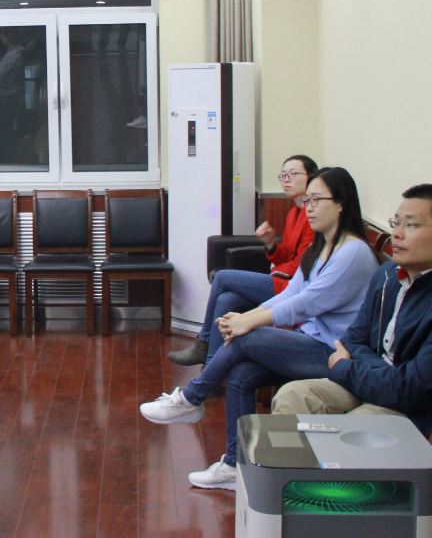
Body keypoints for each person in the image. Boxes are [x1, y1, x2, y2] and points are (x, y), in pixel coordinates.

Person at [139, 167, 379, 490]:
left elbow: (306, 304)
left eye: (316, 200)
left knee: (246, 337)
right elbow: (291, 293)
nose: (308, 208)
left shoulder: (353, 252)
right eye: (307, 201)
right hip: (308, 340)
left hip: (334, 354)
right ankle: (234, 465)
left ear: (341, 204)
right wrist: (244, 317)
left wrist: (247, 322)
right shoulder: (321, 247)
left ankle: (193, 396)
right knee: (241, 376)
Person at [271, 184, 432, 436]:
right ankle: (294, 464)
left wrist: (345, 367)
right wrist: (383, 373)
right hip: (371, 384)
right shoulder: (388, 275)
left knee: (353, 428)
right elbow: (352, 340)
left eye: (411, 225)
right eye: (396, 223)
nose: (397, 234)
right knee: (293, 396)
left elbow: (411, 391)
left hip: (414, 412)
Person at [169, 155, 320, 366]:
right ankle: (211, 364)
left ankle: (202, 343)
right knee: (226, 300)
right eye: (283, 175)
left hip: (293, 287)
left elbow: (302, 266)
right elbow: (287, 256)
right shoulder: (294, 213)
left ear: (312, 177)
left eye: (293, 174)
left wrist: (276, 270)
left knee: (222, 277)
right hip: (283, 279)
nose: (286, 180)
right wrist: (270, 244)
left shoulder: (314, 216)